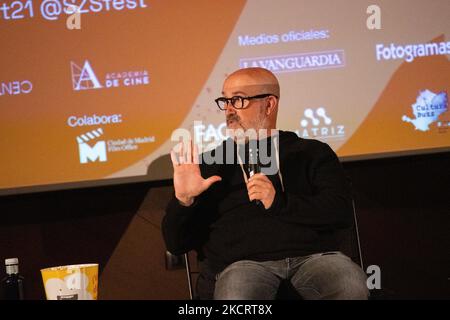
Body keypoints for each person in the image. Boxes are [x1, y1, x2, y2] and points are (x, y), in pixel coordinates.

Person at [162, 67, 368, 300]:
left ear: (269, 104)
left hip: (314, 259)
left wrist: (279, 202)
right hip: (242, 265)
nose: (229, 109)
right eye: (225, 100)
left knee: (349, 285)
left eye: (238, 99)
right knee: (237, 295)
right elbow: (176, 245)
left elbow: (339, 213)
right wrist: (183, 201)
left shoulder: (311, 152)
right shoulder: (210, 165)